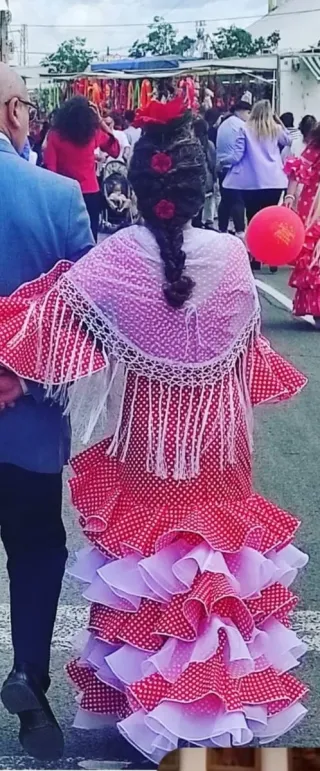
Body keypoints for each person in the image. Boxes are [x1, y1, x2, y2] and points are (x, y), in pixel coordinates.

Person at [0, 95, 308, 764]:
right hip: (218, 456)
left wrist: (16, 370)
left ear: (136, 186)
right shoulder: (230, 260)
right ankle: (211, 716)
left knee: (149, 587)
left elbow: (48, 323)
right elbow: (247, 353)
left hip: (147, 454)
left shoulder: (114, 259)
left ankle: (149, 713)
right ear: (205, 188)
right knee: (214, 591)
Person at [0, 63, 94, 761]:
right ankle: (30, 682)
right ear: (11, 111)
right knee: (35, 549)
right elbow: (88, 322)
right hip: (26, 429)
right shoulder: (59, 196)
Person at [223, 100, 291, 271]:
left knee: (254, 219)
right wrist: (278, 120)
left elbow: (237, 155)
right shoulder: (275, 129)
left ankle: (255, 257)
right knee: (271, 220)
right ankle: (273, 258)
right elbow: (288, 140)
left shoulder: (244, 129)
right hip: (275, 180)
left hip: (251, 182)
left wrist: (223, 162)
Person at [43, 96, 120, 242]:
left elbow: (50, 169)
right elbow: (115, 150)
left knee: (66, 239)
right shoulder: (92, 134)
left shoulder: (55, 136)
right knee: (90, 238)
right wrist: (101, 122)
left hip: (64, 193)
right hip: (91, 192)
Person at [284, 124, 320, 323]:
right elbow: (297, 170)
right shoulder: (315, 149)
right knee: (315, 256)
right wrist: (290, 196)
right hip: (315, 206)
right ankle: (317, 308)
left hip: (313, 204)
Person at [216, 99, 252, 237]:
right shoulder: (241, 126)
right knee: (238, 200)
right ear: (240, 111)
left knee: (225, 200)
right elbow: (240, 154)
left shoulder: (224, 124)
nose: (249, 116)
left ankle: (222, 229)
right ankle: (240, 232)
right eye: (248, 112)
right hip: (234, 168)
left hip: (222, 168)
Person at [193, 116, 216, 228]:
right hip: (206, 177)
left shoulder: (191, 144)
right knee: (205, 200)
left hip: (194, 177)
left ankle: (196, 220)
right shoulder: (209, 144)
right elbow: (213, 163)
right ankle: (206, 220)